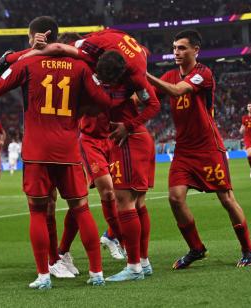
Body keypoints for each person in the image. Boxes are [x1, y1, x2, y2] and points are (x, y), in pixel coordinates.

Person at [0, 16, 125, 290]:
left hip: (36, 151)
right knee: (81, 210)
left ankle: (44, 275)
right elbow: (105, 101)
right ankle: (97, 273)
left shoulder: (27, 63)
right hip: (67, 149)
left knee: (37, 213)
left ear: (36, 36)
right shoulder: (79, 66)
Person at [27, 28, 160, 281]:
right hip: (91, 140)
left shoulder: (128, 71)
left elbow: (150, 96)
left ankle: (124, 249)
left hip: (119, 137)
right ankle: (119, 250)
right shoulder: (80, 68)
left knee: (124, 199)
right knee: (104, 194)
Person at [146, 29, 251, 269]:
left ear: (196, 50)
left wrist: (142, 73)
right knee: (175, 199)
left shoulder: (203, 73)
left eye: (182, 47)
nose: (176, 52)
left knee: (226, 198)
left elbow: (176, 91)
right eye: (174, 47)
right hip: (184, 150)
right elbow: (145, 98)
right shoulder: (169, 74)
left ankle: (248, 249)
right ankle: (196, 248)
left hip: (208, 147)